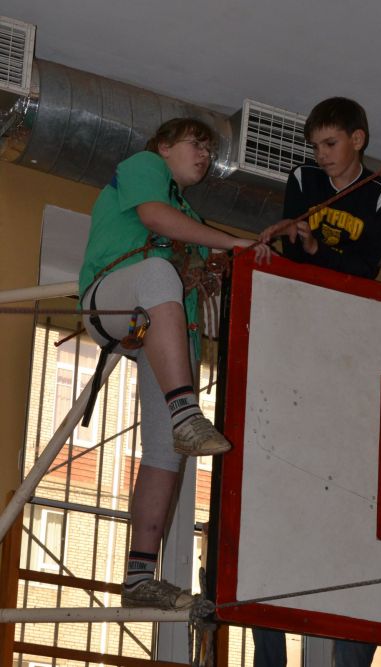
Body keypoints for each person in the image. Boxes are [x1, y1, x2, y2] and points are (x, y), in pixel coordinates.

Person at [78, 117, 270, 611]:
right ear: (163, 146)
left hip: (154, 327)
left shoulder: (189, 216)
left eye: (209, 150)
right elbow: (155, 218)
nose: (204, 156)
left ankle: (139, 578)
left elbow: (200, 262)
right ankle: (186, 412)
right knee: (158, 272)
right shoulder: (145, 166)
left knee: (165, 452)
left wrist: (236, 255)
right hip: (112, 302)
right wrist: (231, 243)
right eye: (195, 144)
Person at [257, 97, 381, 666]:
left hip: (348, 320)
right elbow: (291, 253)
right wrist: (300, 245)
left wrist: (316, 246)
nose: (321, 156)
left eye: (330, 144)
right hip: (302, 311)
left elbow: (365, 267)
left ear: (357, 139)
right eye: (315, 146)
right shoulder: (303, 180)